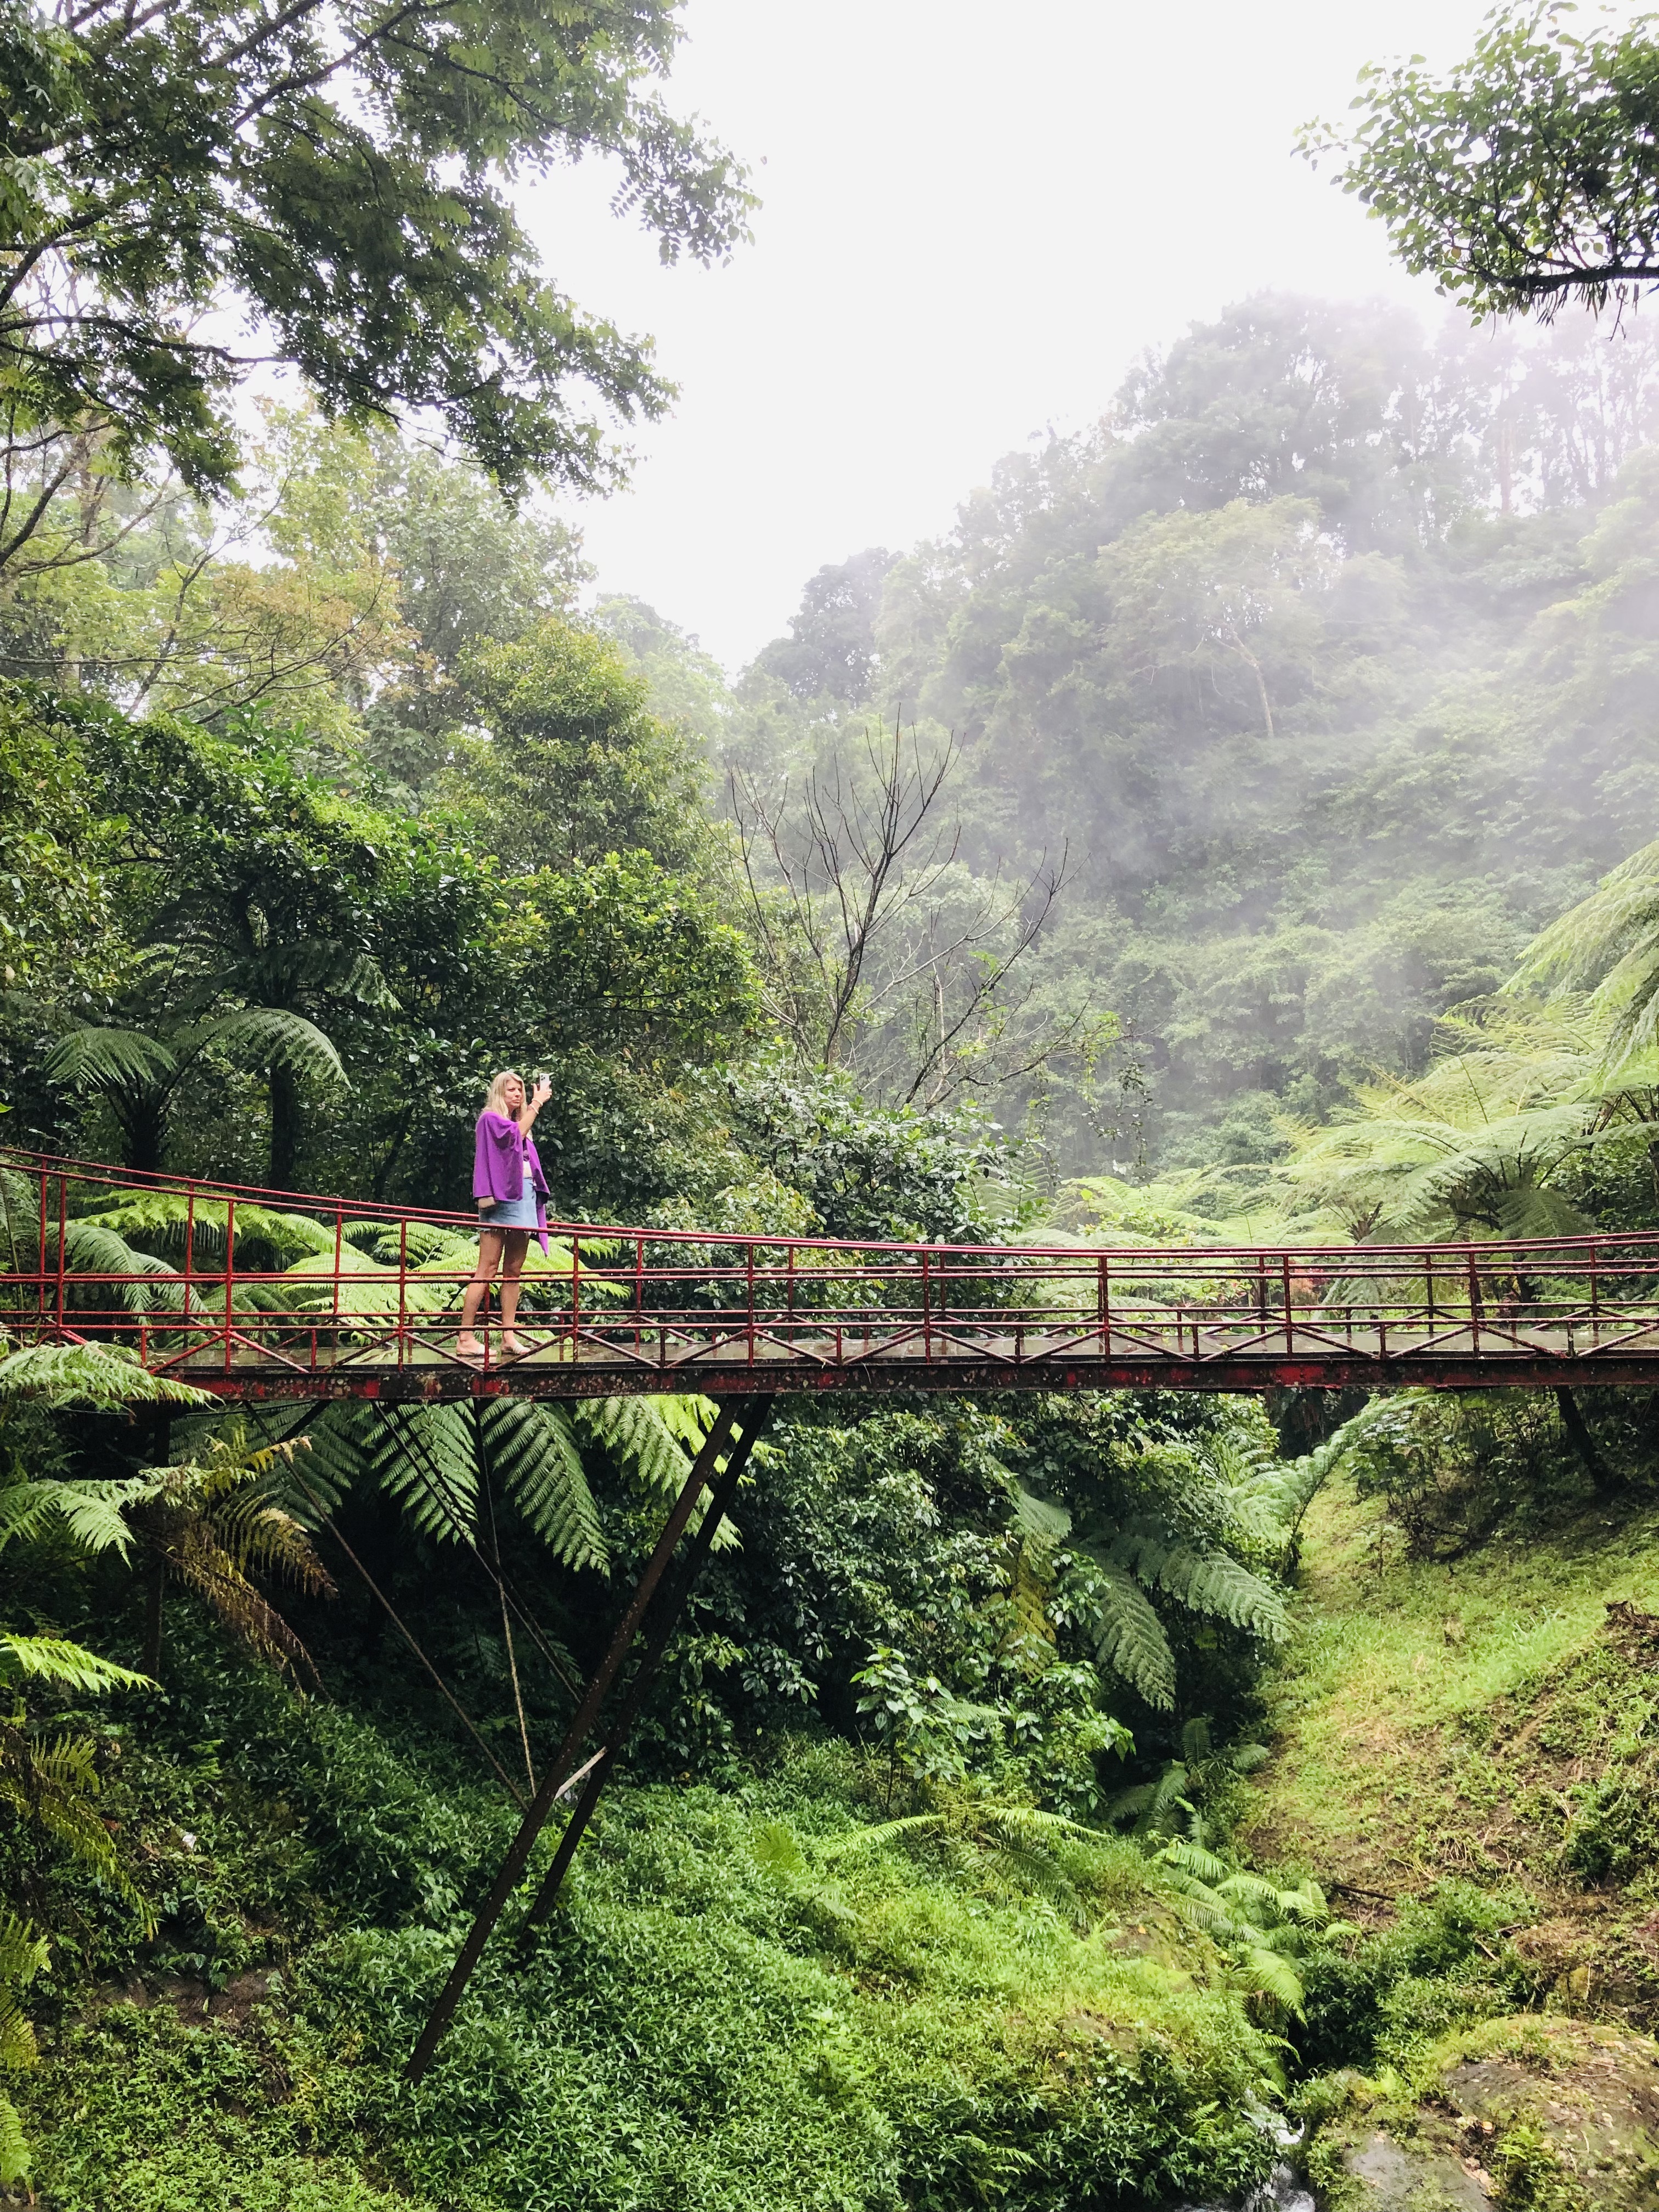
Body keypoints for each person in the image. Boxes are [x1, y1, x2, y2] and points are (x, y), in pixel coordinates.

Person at [456, 1069, 553, 1361]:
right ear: (500, 1092)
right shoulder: (490, 1120)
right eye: (511, 1090)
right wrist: (537, 1104)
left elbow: (523, 1151)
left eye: (521, 1090)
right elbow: (513, 1137)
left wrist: (530, 1109)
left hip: (523, 1195)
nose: (518, 1094)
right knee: (486, 1269)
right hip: (500, 1200)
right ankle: (465, 1337)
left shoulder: (517, 1122)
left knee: (513, 1270)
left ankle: (508, 1336)